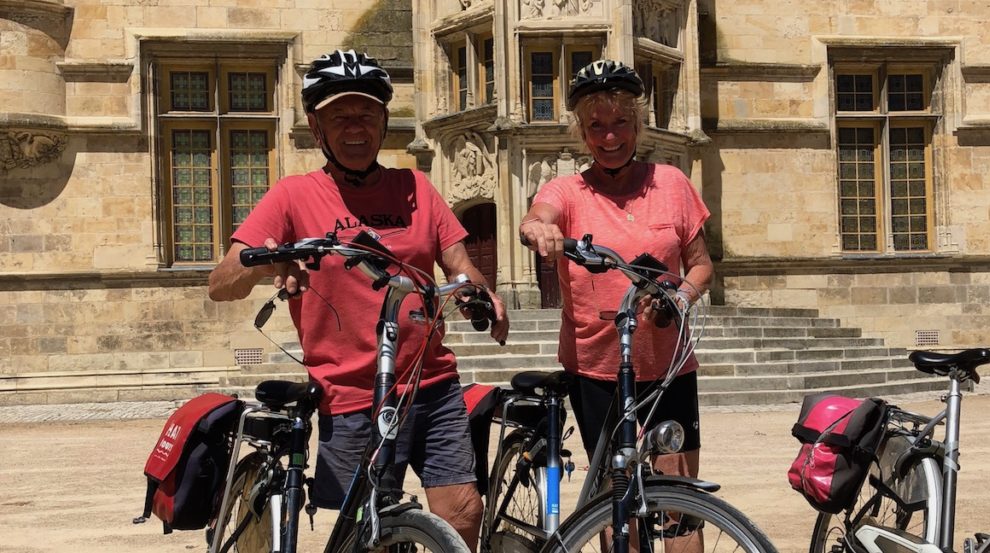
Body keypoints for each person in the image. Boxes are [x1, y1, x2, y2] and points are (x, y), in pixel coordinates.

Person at [208, 49, 508, 550]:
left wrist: (482, 294)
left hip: (430, 382)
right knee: (368, 528)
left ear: (384, 120)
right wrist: (269, 259)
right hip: (350, 394)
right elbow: (221, 284)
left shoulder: (416, 188)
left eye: (366, 113)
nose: (355, 127)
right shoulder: (293, 195)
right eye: (339, 115)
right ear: (316, 125)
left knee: (463, 512)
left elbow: (459, 263)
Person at [519, 59, 714, 486]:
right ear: (581, 133)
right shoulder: (566, 190)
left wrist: (678, 299)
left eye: (621, 122)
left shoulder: (673, 183)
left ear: (638, 124)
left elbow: (700, 266)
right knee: (615, 499)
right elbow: (538, 215)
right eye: (596, 126)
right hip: (595, 373)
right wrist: (537, 229)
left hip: (669, 369)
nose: (610, 137)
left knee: (680, 500)